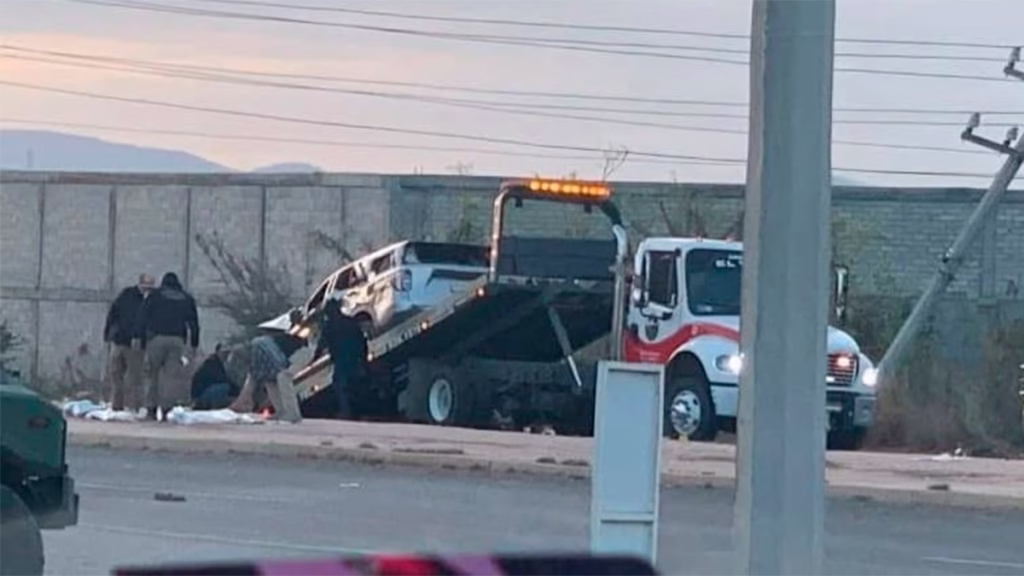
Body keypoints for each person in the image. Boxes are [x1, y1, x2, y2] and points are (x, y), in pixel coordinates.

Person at [134, 272, 200, 421]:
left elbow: (142, 316)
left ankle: (151, 409)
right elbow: (193, 324)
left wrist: (138, 336)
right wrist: (194, 343)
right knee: (171, 378)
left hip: (156, 339)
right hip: (177, 340)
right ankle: (166, 410)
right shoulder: (186, 298)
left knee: (152, 375)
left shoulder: (154, 296)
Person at [228, 332, 305, 423]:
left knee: (283, 377)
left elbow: (277, 362)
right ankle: (281, 411)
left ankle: (293, 414)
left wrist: (242, 399)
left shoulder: (259, 346)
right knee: (269, 381)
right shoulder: (256, 347)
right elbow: (256, 374)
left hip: (302, 351)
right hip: (291, 355)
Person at [103, 274, 155, 411]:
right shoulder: (127, 295)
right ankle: (117, 405)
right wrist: (109, 332)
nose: (148, 288)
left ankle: (135, 406)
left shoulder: (152, 299)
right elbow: (113, 312)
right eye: (146, 285)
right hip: (121, 340)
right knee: (116, 374)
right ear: (140, 284)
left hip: (136, 344)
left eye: (151, 285)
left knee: (135, 377)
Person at [316, 296, 368, 420]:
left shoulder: (329, 326)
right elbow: (362, 341)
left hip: (341, 359)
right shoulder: (350, 322)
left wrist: (314, 359)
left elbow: (322, 344)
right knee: (354, 385)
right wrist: (364, 359)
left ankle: (346, 411)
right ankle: (357, 411)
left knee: (340, 384)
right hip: (354, 358)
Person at [190, 343, 238, 410]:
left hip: (205, 392)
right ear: (218, 351)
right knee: (224, 387)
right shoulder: (211, 363)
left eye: (228, 353)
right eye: (224, 352)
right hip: (200, 396)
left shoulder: (219, 363)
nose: (226, 355)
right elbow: (221, 379)